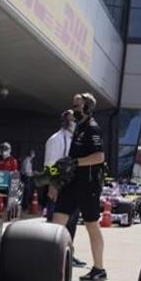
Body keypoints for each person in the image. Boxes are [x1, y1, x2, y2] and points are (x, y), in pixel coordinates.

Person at [52, 92, 107, 281]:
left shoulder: (92, 129)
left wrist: (74, 162)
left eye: (77, 106)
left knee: (92, 225)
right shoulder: (78, 128)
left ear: (87, 108)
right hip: (71, 184)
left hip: (88, 185)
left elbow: (99, 157)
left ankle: (99, 269)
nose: (73, 109)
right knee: (56, 222)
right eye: (73, 105)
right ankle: (49, 263)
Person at [43, 110, 83, 263]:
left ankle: (68, 254)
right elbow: (50, 165)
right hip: (60, 188)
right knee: (57, 225)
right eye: (74, 120)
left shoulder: (75, 140)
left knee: (72, 223)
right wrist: (53, 186)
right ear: (67, 121)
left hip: (74, 188)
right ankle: (52, 256)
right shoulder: (56, 139)